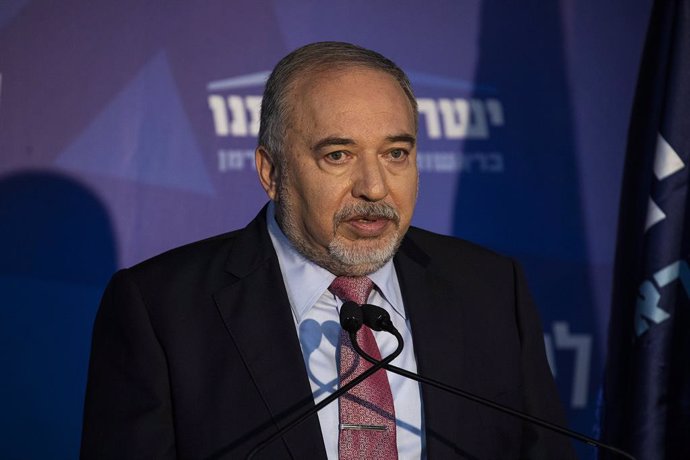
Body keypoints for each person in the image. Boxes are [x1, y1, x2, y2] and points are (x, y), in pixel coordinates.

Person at [81, 42, 575, 459]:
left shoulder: (490, 287)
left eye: (395, 154)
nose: (375, 188)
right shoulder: (161, 310)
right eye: (338, 155)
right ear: (271, 172)